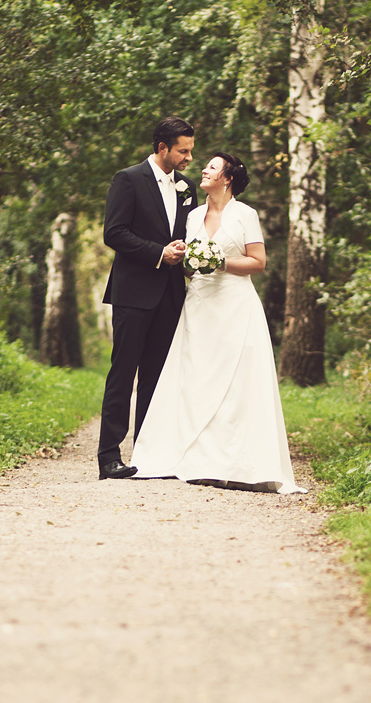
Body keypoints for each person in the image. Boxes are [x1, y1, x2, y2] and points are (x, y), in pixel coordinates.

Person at [131, 153, 306, 495]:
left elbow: (258, 262)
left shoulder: (245, 215)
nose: (203, 170)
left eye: (211, 167)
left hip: (235, 305)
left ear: (227, 178)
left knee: (237, 384)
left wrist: (221, 261)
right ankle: (197, 461)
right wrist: (184, 255)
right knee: (196, 380)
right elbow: (188, 266)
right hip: (198, 305)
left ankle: (236, 463)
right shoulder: (193, 214)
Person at [97, 116, 198, 479]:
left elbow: (189, 233)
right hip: (133, 291)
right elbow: (115, 233)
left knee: (157, 377)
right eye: (183, 151)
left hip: (171, 294)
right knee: (123, 374)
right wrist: (159, 253)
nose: (188, 157)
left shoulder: (187, 187)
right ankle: (109, 457)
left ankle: (147, 454)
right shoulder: (128, 179)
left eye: (190, 150)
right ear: (162, 148)